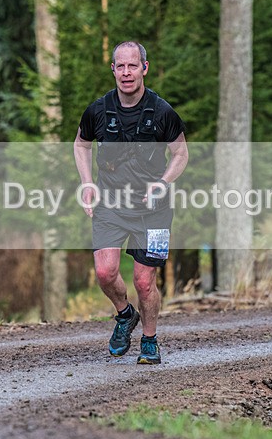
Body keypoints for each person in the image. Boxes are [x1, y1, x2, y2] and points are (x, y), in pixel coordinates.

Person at [74, 41, 188, 364]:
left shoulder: (162, 112)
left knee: (144, 281)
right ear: (113, 69)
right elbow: (81, 145)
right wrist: (87, 183)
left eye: (133, 66)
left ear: (144, 69)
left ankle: (149, 340)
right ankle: (125, 314)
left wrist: (163, 183)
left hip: (154, 210)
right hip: (110, 204)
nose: (126, 72)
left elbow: (181, 154)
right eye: (120, 66)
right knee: (104, 272)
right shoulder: (98, 110)